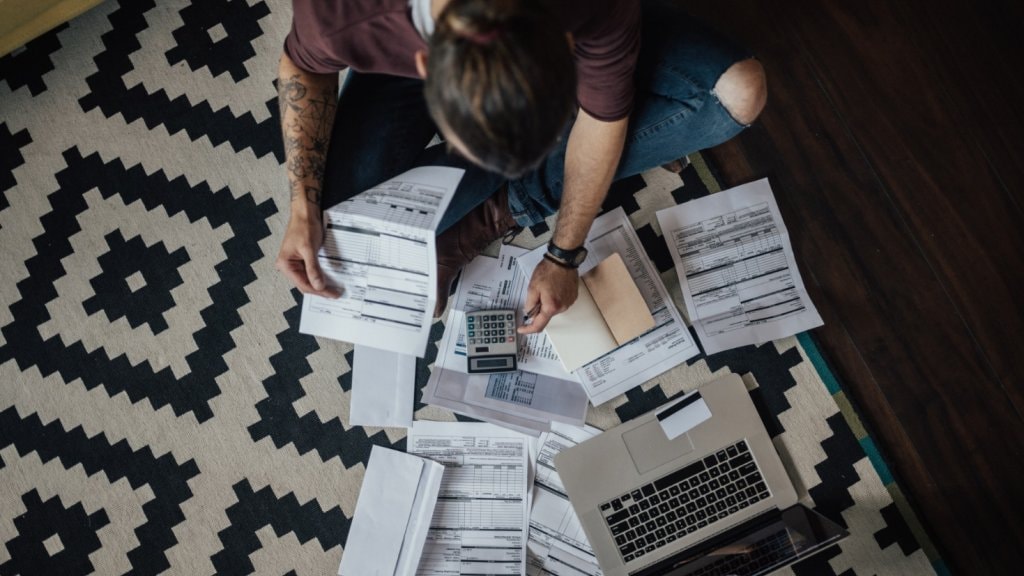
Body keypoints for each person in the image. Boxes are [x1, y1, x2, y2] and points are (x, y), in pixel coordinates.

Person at [275, 0, 766, 335]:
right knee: (342, 226)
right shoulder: (342, 13)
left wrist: (563, 253)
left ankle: (502, 205)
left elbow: (603, 119)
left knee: (739, 92)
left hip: (595, 25)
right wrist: (303, 202)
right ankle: (497, 190)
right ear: (425, 67)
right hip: (395, 49)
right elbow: (303, 67)